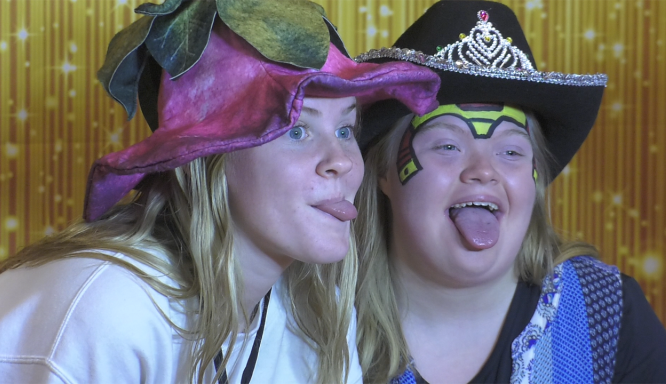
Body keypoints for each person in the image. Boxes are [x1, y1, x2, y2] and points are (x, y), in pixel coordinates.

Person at [0, 0, 440, 382]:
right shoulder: (108, 310)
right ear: (208, 159)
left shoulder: (318, 309)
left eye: (346, 128)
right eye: (297, 131)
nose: (343, 161)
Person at [353, 1, 666, 383]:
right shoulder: (313, 319)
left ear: (535, 176)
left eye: (511, 151)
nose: (483, 171)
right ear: (382, 171)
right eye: (447, 146)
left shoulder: (605, 313)